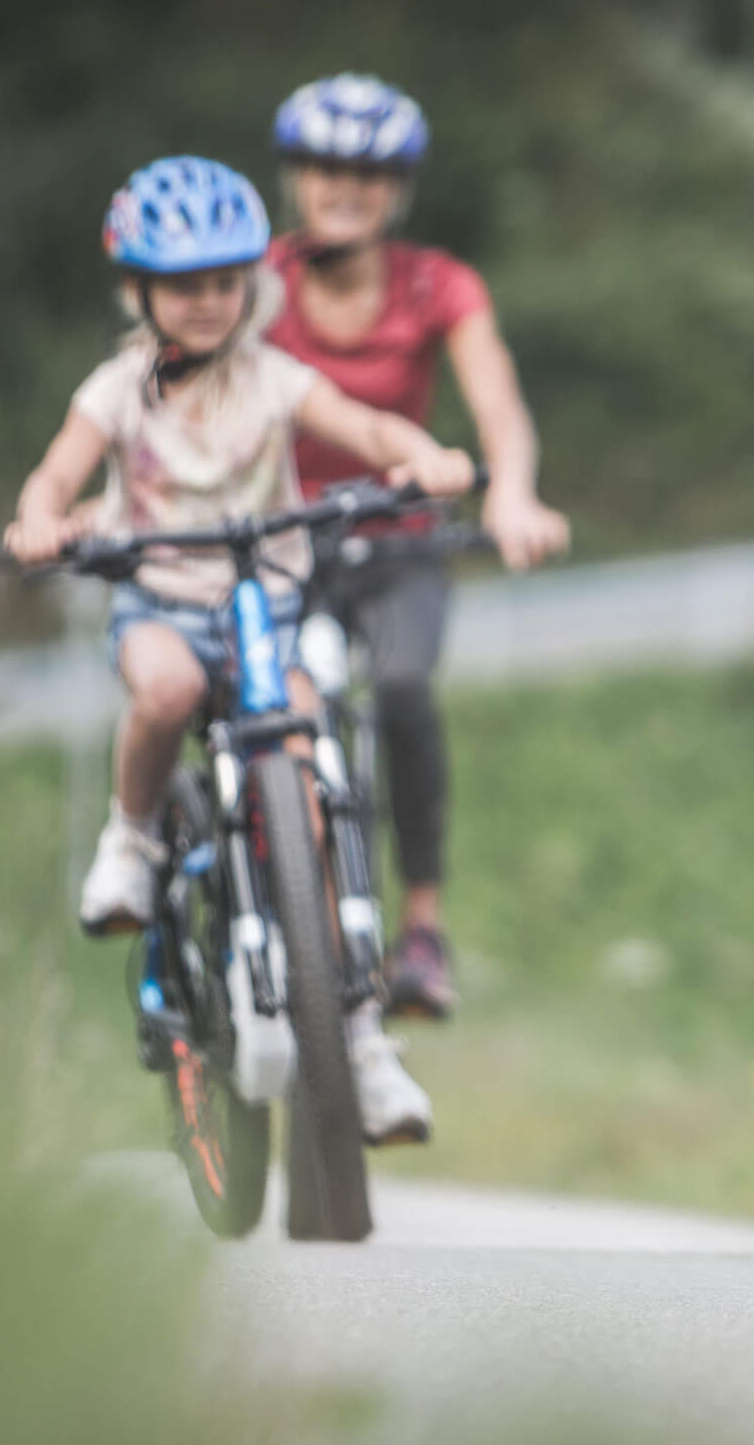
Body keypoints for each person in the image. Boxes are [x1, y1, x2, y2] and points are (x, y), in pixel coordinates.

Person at [3, 155, 477, 1145]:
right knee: (167, 691)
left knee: (311, 761)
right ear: (139, 290)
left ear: (252, 284)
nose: (210, 301)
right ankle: (132, 840)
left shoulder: (274, 377)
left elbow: (365, 425)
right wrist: (41, 520)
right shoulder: (118, 390)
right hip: (164, 603)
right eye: (185, 284)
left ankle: (359, 1041)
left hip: (267, 605)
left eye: (227, 281)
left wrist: (421, 457)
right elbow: (55, 474)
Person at [264, 73, 570, 1021]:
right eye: (326, 168)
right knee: (269, 713)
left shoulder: (439, 286)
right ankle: (282, 906)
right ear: (296, 178)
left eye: (369, 173)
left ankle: (423, 930)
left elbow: (499, 406)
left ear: (397, 188)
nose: (345, 189)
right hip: (278, 541)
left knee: (402, 692)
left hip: (398, 540)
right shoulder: (252, 283)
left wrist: (510, 491)